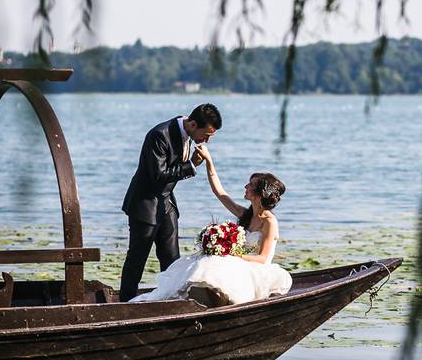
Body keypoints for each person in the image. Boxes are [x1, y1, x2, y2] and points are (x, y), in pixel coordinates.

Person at [130, 153, 292, 307]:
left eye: (250, 185)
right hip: (239, 260)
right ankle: (187, 296)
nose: (245, 186)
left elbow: (263, 258)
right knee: (203, 259)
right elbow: (219, 192)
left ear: (260, 193)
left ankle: (211, 299)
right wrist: (209, 162)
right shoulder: (245, 214)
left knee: (218, 262)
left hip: (257, 268)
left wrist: (233, 255)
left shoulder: (269, 222)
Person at [118, 103, 222, 302]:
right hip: (145, 204)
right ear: (192, 124)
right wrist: (190, 165)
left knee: (172, 260)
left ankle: (172, 302)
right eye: (206, 135)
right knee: (136, 260)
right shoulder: (159, 134)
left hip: (167, 204)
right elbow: (158, 175)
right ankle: (124, 304)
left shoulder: (188, 130)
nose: (206, 140)